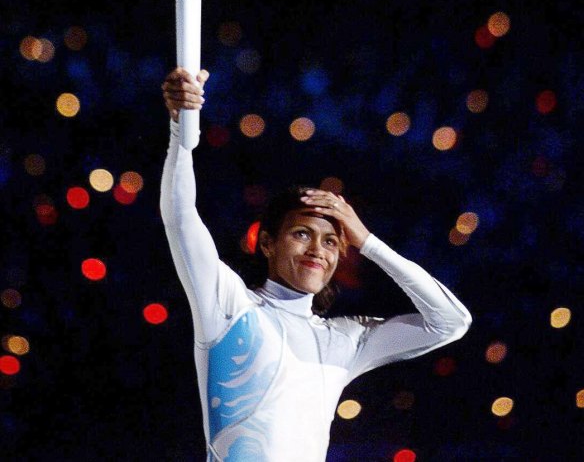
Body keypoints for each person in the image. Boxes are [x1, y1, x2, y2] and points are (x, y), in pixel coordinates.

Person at [161, 67, 471, 462]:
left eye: (331, 242)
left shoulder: (345, 341)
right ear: (268, 243)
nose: (317, 251)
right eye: (302, 234)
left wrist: (368, 242)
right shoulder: (230, 306)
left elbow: (450, 322)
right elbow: (180, 215)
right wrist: (180, 129)